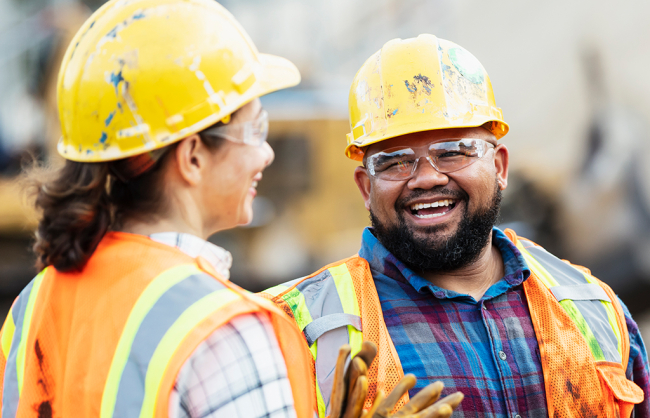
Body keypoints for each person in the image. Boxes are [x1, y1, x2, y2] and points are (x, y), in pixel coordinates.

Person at [0, 2, 465, 417]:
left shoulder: (34, 303)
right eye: (255, 131)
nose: (266, 154)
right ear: (193, 156)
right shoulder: (228, 331)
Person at [262, 34, 650, 418]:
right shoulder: (293, 329)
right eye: (395, 161)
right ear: (366, 187)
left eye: (452, 152)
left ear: (499, 167)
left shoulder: (592, 305)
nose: (426, 178)